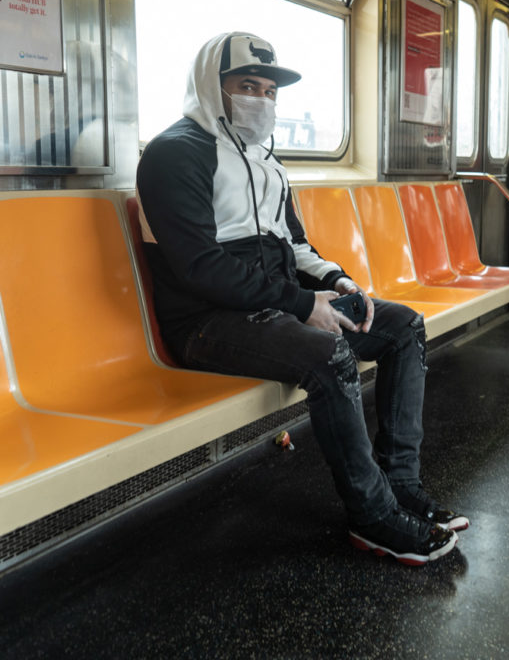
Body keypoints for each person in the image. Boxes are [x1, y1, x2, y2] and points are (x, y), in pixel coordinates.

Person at [136, 32, 468, 565]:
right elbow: (200, 268)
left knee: (402, 326)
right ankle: (372, 515)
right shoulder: (174, 154)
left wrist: (335, 283)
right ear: (211, 87)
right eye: (248, 86)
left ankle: (399, 483)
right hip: (208, 322)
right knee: (330, 355)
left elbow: (294, 243)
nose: (262, 101)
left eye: (270, 91)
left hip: (275, 305)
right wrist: (301, 304)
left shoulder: (266, 159)